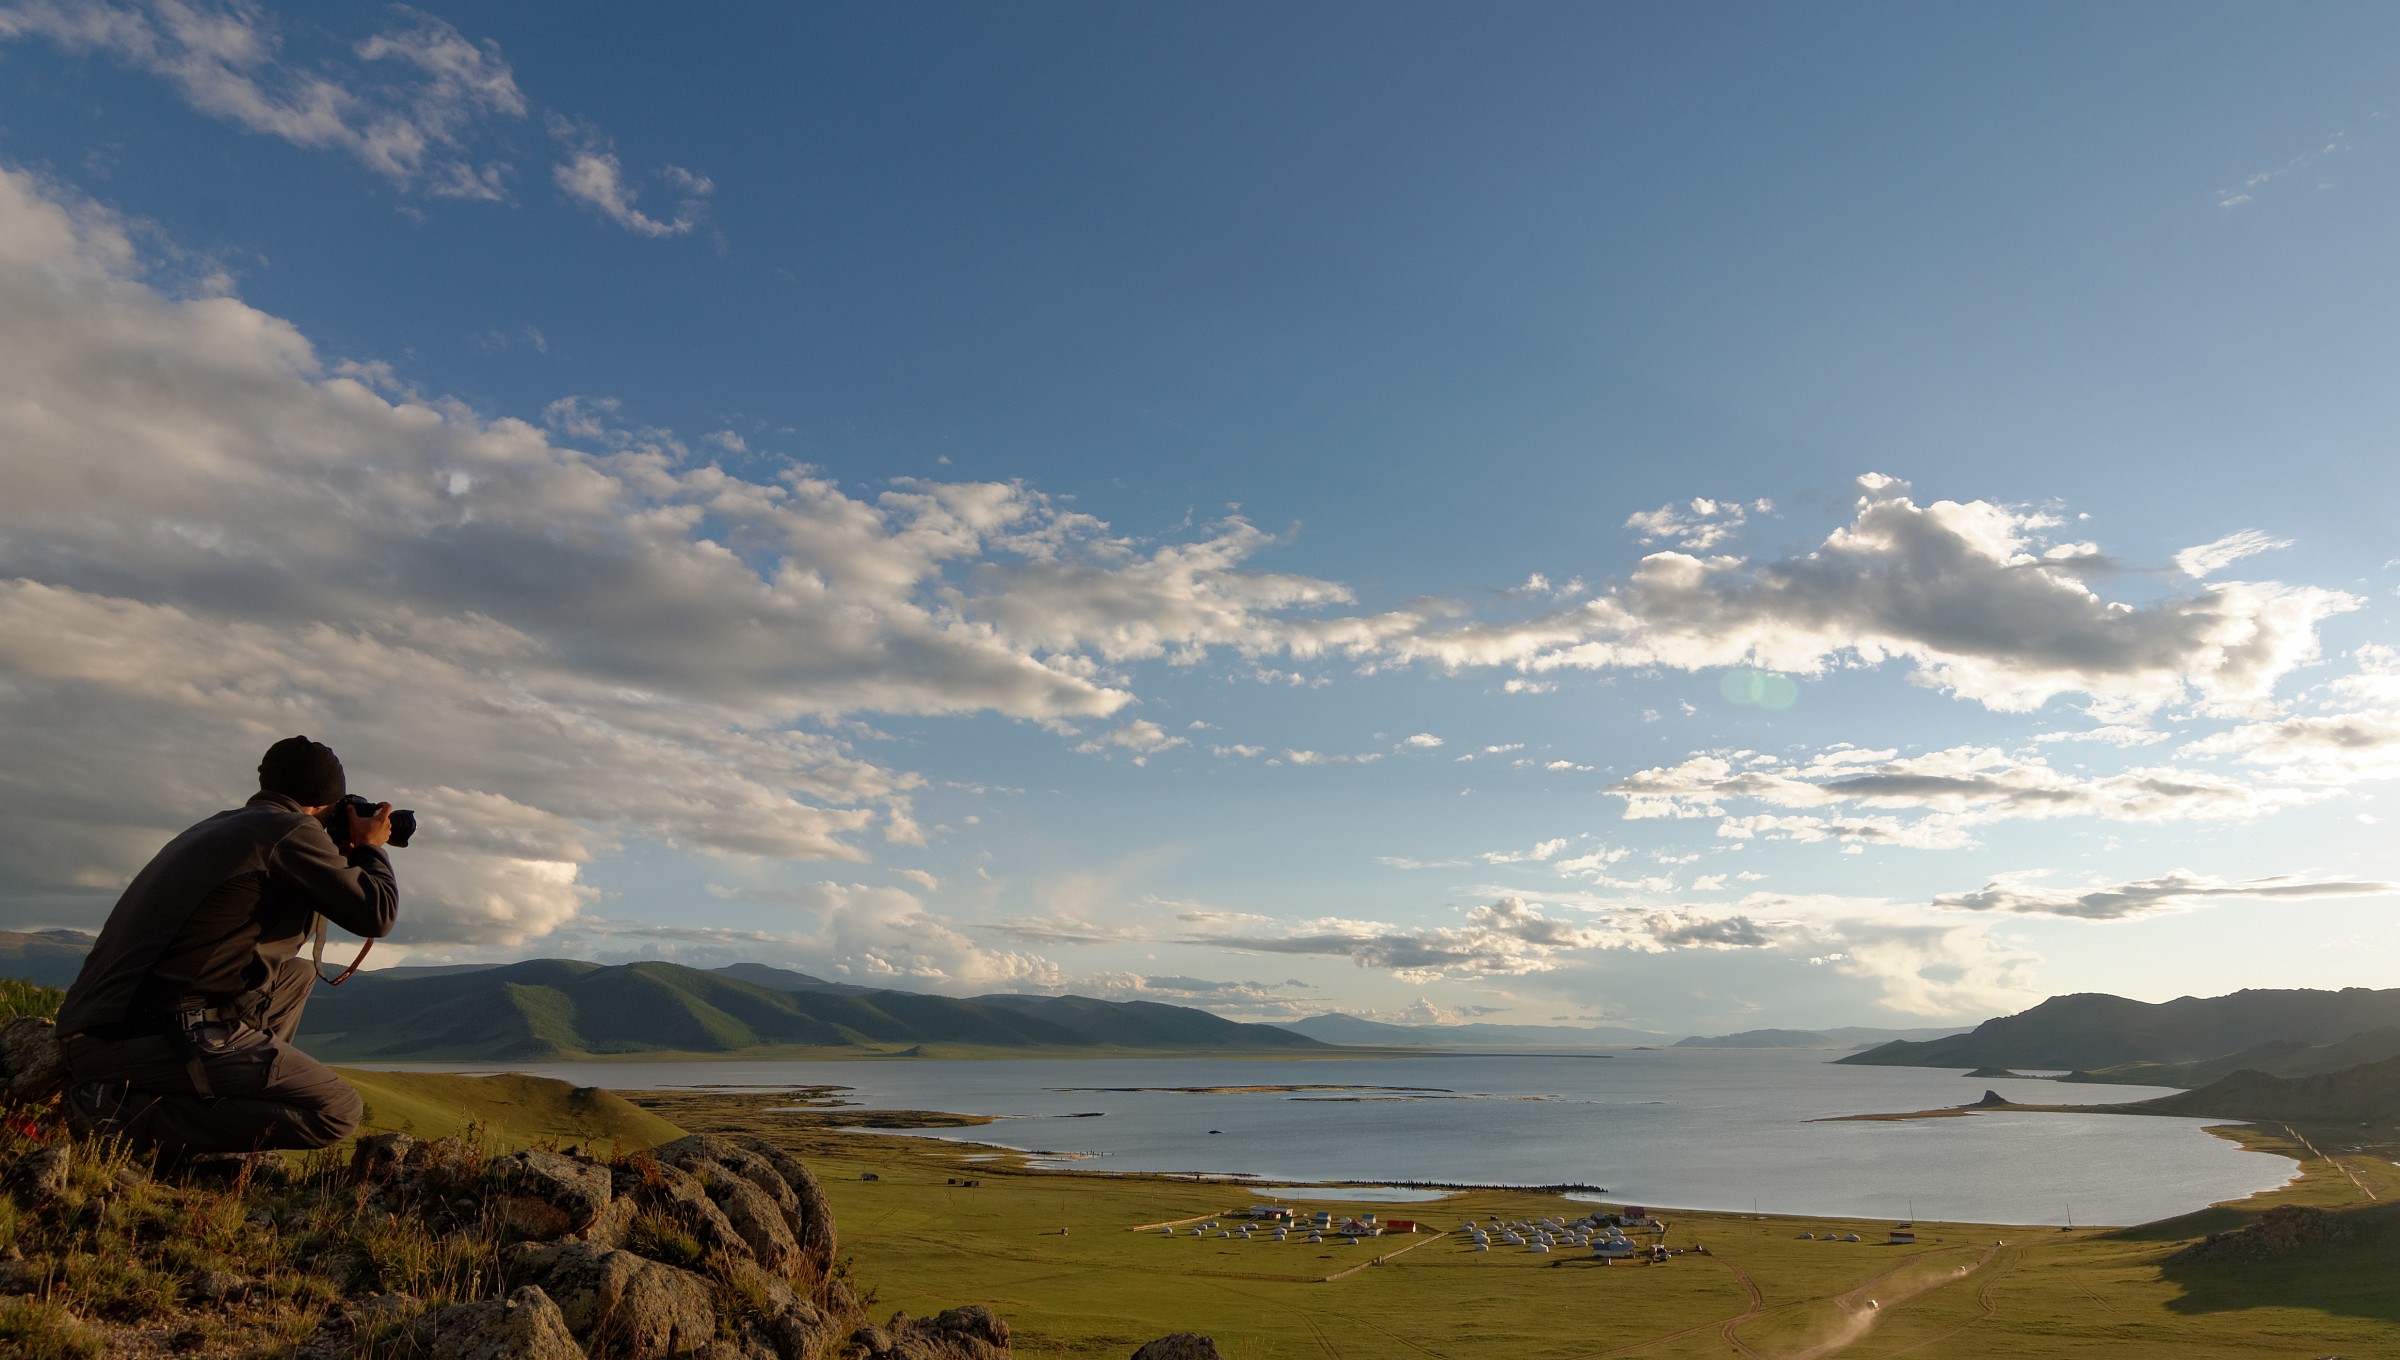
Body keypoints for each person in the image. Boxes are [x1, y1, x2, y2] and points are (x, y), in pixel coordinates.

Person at [56, 736, 399, 1159]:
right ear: (325, 801)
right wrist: (369, 849)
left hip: (101, 1028)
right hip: (145, 1034)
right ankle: (122, 1115)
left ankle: (219, 1131)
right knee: (337, 1110)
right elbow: (377, 914)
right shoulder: (290, 831)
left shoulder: (224, 825)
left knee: (295, 974)